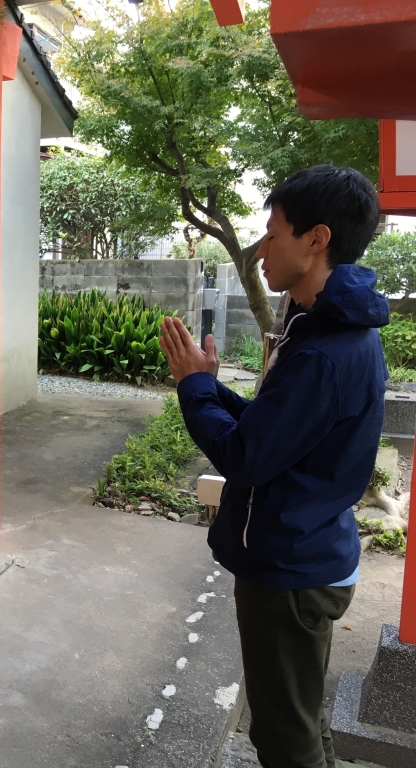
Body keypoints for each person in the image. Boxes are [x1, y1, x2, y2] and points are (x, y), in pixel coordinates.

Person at [158, 165, 389, 768]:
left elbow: (246, 456)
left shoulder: (324, 350)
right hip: (307, 552)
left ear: (316, 239)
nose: (262, 249)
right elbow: (274, 428)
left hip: (291, 570)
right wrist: (208, 385)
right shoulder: (326, 327)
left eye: (273, 232)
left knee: (285, 741)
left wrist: (194, 389)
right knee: (301, 716)